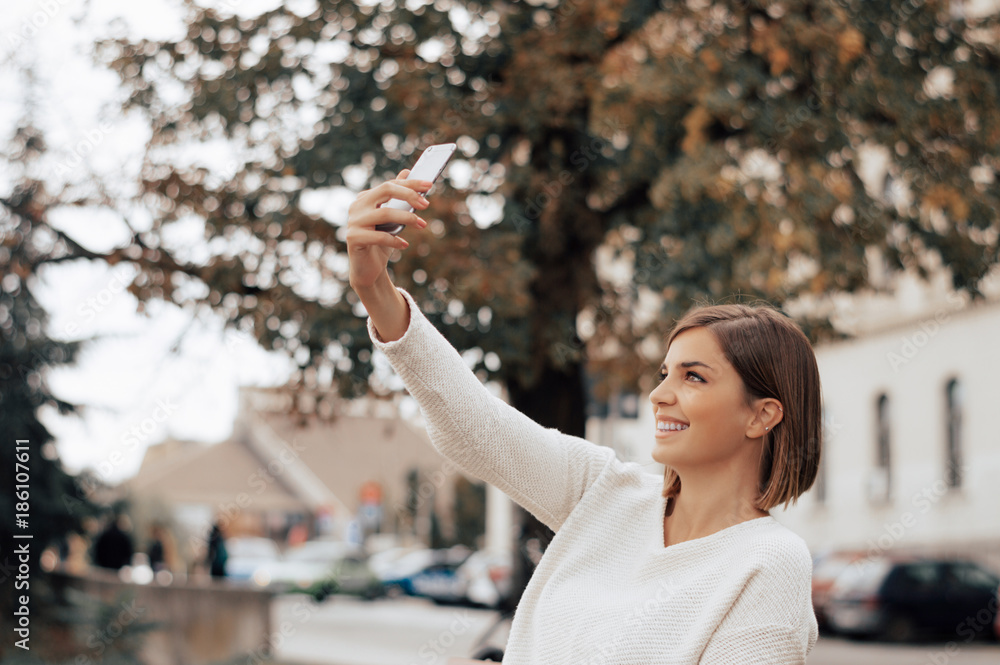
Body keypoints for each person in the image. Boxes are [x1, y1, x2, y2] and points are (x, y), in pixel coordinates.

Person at [346, 172, 822, 663]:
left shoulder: (768, 564)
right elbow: (476, 426)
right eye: (664, 373)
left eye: (694, 377)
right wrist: (375, 288)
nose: (659, 395)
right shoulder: (605, 493)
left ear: (762, 415)